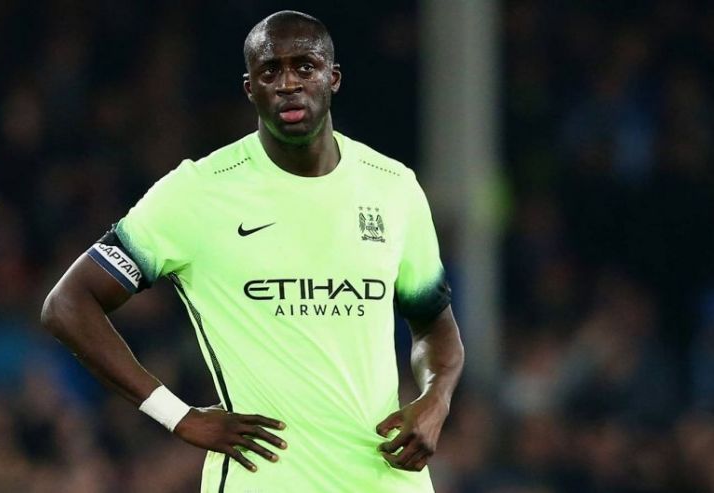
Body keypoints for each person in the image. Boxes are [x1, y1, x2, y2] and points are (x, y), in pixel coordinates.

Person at [41, 10, 464, 493]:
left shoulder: (394, 188)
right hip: (264, 479)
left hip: (387, 480)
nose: (287, 83)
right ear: (250, 88)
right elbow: (67, 304)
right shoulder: (197, 192)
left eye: (304, 67)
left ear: (334, 78)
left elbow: (434, 327)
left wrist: (436, 398)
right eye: (270, 71)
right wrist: (176, 415)